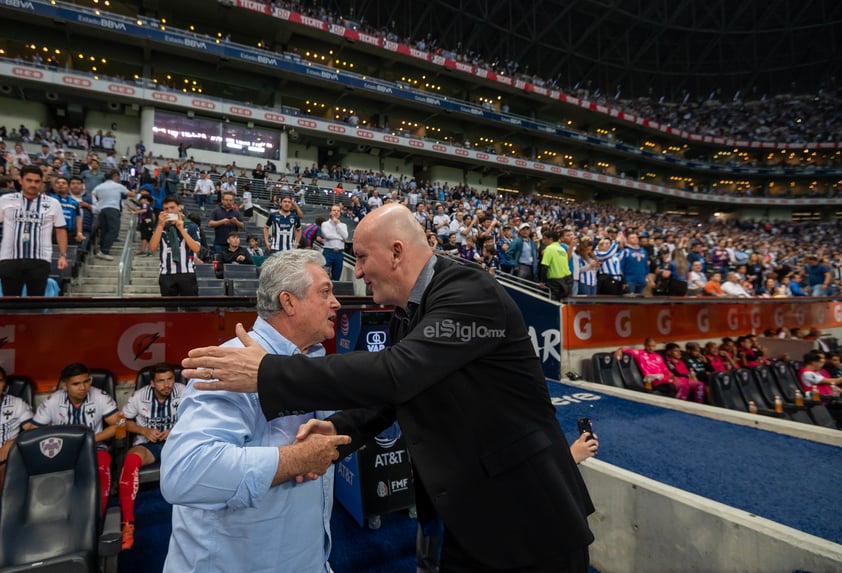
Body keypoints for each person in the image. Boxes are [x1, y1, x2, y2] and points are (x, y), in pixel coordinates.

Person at [182, 204, 595, 572]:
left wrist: (268, 373)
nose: (356, 272)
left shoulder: (471, 293)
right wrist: (340, 434)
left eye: (361, 257)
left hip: (528, 516)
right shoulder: (410, 312)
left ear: (397, 252)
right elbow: (394, 396)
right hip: (469, 518)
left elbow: (398, 372)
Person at [160, 250, 352, 572]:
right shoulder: (233, 365)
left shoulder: (315, 362)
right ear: (289, 302)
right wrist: (296, 460)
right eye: (325, 292)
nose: (337, 303)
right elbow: (185, 472)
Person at [25, 363, 120, 514]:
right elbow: (32, 432)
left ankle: (98, 515)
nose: (83, 387)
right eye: (76, 384)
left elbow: (119, 424)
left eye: (86, 381)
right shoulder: (53, 401)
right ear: (64, 385)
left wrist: (92, 438)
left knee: (102, 467)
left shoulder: (100, 396)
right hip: (62, 449)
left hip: (94, 446)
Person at [118, 363, 187, 550]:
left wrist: (174, 431)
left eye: (170, 379)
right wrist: (144, 430)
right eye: (161, 381)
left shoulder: (184, 391)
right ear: (151, 383)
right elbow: (121, 420)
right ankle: (128, 524)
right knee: (131, 460)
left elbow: (198, 416)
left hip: (177, 443)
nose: (167, 385)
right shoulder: (140, 396)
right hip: (148, 444)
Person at [0, 165, 68, 296]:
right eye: (29, 180)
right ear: (20, 180)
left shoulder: (53, 203)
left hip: (40, 259)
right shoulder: (5, 200)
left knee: (36, 303)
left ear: (42, 182)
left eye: (37, 181)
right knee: (9, 302)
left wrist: (63, 255)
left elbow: (60, 229)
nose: (33, 184)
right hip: (9, 258)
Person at [148, 195, 201, 296]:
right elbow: (152, 248)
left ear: (179, 207)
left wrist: (181, 229)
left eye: (172, 207)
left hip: (187, 273)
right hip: (166, 274)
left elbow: (196, 248)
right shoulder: (161, 227)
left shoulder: (191, 226)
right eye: (166, 209)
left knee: (190, 309)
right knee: (170, 310)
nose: (169, 211)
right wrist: (160, 225)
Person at [0, 365, 34, 490]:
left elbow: (33, 429)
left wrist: (12, 442)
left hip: (8, 458)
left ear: (5, 383)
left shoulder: (16, 404)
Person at [92, 169, 134, 261]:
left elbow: (93, 194)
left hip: (102, 209)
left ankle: (102, 249)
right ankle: (104, 250)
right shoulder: (118, 186)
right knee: (114, 230)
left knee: (105, 230)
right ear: (114, 176)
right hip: (113, 209)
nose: (119, 178)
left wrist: (96, 204)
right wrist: (134, 189)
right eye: (118, 176)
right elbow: (131, 194)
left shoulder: (99, 186)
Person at [49, 175, 86, 246]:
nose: (60, 184)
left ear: (68, 187)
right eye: (58, 183)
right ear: (55, 186)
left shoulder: (74, 202)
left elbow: (78, 218)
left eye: (64, 183)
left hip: (69, 233)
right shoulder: (49, 198)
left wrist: (79, 232)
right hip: (52, 231)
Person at [321, 204, 348, 280]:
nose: (336, 212)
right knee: (324, 275)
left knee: (337, 276)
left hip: (339, 253)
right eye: (334, 210)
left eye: (338, 211)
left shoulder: (343, 225)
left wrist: (337, 224)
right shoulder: (325, 224)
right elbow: (327, 235)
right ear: (330, 212)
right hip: (328, 251)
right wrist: (340, 237)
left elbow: (345, 236)